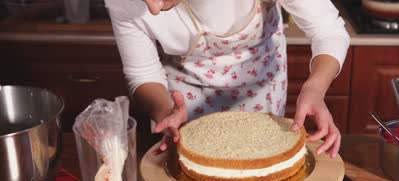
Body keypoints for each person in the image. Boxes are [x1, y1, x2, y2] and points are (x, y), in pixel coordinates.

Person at [105, 0, 350, 158]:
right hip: (183, 94)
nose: (153, 8)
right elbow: (142, 72)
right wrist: (164, 111)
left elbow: (328, 30)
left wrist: (315, 88)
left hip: (259, 83)